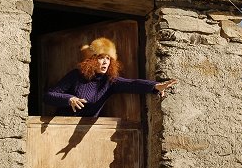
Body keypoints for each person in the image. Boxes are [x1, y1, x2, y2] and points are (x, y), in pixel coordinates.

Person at [44, 37, 177, 116]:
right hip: (61, 127)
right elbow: (48, 96)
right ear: (91, 60)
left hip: (85, 132)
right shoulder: (76, 75)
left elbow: (131, 84)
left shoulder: (109, 81)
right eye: (101, 58)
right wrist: (69, 99)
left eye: (108, 58)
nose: (106, 61)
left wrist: (155, 86)